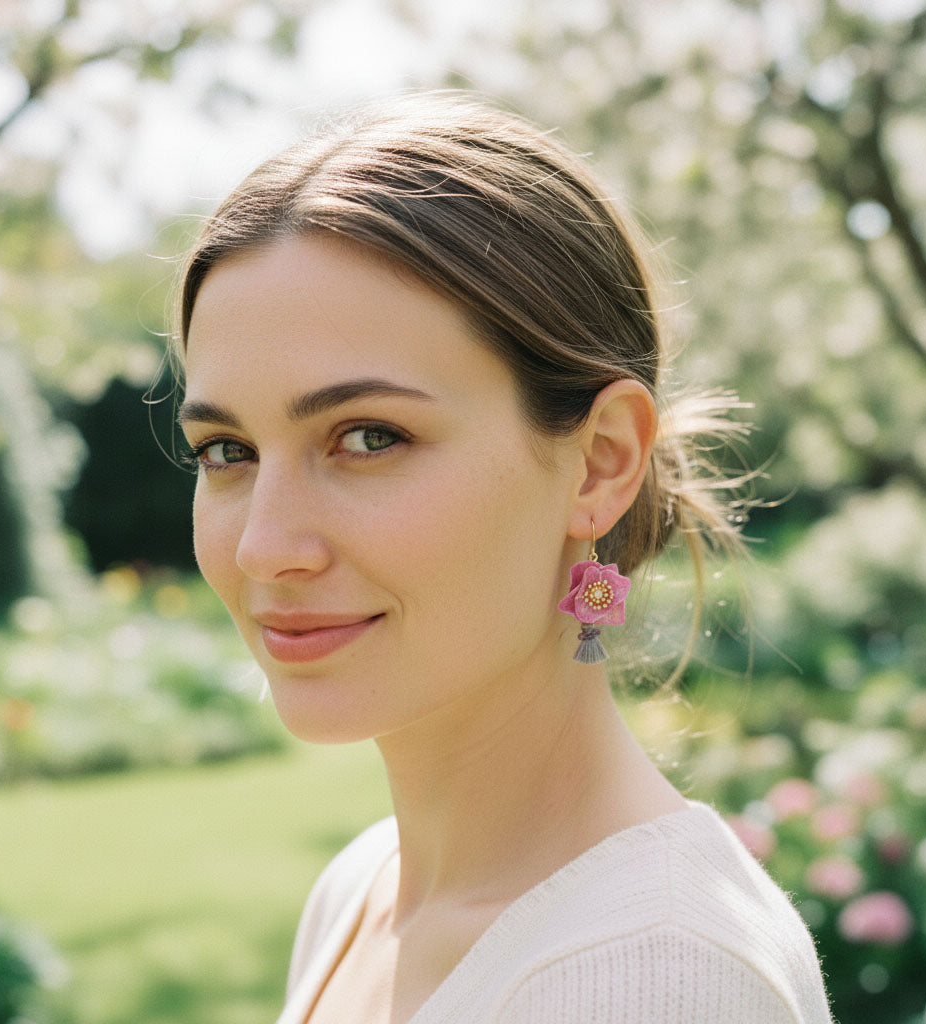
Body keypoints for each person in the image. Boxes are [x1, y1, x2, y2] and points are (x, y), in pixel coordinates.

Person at [172, 92, 834, 1023]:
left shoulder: (653, 975)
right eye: (227, 453)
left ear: (600, 462)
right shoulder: (359, 893)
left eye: (368, 437)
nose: (264, 547)